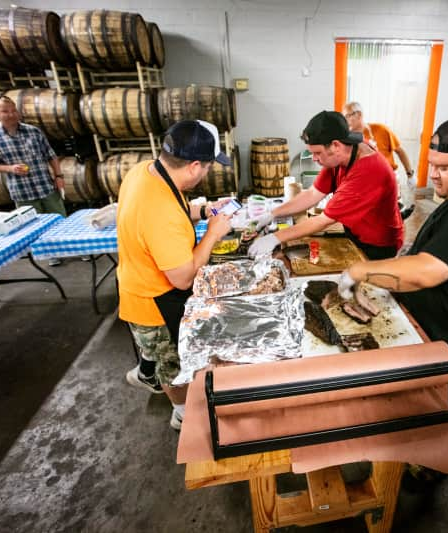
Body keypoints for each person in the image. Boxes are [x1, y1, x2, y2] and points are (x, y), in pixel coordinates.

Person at [338, 113, 448, 370]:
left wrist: (360, 271)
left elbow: (426, 272)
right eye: (431, 164)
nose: (432, 174)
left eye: (444, 168)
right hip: (427, 322)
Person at [117, 120, 232, 430]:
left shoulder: (147, 172)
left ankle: (145, 368)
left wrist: (206, 210)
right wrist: (213, 234)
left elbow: (177, 207)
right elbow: (181, 279)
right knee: (172, 366)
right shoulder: (160, 211)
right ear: (195, 166)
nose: (207, 173)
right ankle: (181, 414)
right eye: (208, 168)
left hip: (138, 280)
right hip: (153, 302)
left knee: (155, 353)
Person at [248, 110, 403, 260]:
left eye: (317, 153)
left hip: (377, 244)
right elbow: (313, 193)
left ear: (335, 145)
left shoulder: (367, 170)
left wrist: (275, 238)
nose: (314, 158)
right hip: (356, 230)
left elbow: (323, 220)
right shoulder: (341, 153)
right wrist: (273, 213)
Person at [0, 95, 67, 266]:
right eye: (5, 111)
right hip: (21, 190)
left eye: (13, 110)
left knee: (60, 218)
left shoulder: (33, 131)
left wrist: (58, 176)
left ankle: (73, 248)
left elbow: (51, 155)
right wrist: (10, 168)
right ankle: (50, 254)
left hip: (45, 185)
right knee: (34, 224)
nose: (11, 114)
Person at [342, 101, 415, 181]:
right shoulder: (347, 140)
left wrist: (410, 175)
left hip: (389, 178)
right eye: (343, 118)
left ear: (359, 114)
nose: (345, 121)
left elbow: (400, 151)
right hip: (366, 181)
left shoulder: (381, 129)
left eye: (347, 116)